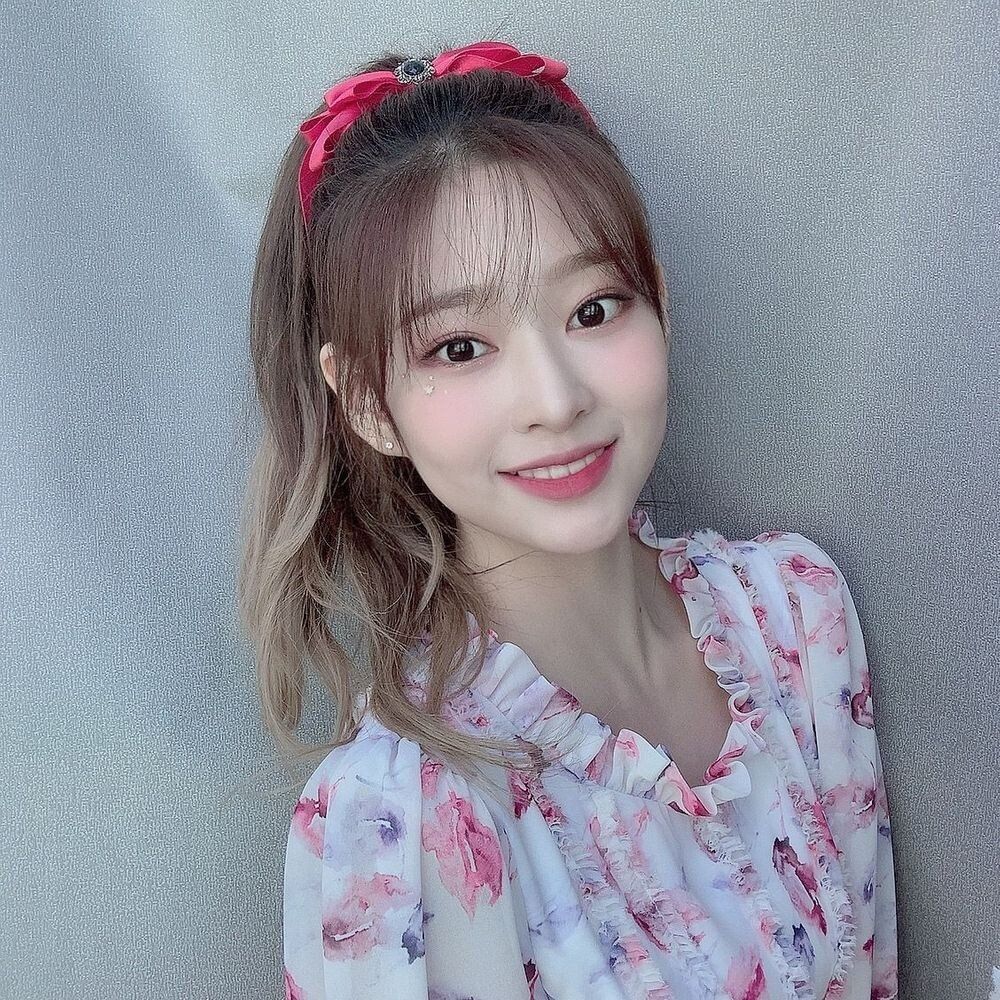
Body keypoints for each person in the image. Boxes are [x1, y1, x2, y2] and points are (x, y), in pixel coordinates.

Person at [238, 39, 899, 1000]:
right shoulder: (397, 818)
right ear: (368, 402)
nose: (555, 398)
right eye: (460, 347)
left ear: (657, 300)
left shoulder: (794, 616)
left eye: (593, 310)